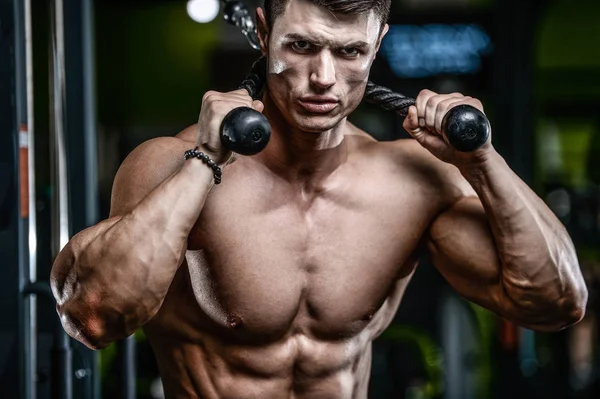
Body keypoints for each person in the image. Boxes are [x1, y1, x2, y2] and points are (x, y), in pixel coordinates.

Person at [50, 0, 588, 397]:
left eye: (350, 51)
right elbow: (96, 317)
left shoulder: (412, 181)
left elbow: (557, 301)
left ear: (377, 44)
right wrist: (206, 161)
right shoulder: (170, 164)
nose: (323, 79)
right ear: (264, 32)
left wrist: (482, 162)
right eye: (302, 45)